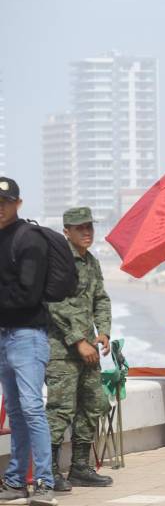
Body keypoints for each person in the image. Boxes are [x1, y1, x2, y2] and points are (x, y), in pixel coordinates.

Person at [46, 207, 113, 491]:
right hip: (62, 349)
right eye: (80, 228)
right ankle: (47, 472)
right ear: (66, 231)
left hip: (89, 348)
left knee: (92, 405)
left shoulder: (91, 261)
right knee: (60, 410)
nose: (87, 232)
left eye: (89, 227)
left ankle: (80, 468)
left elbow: (101, 298)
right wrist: (78, 340)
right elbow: (53, 303)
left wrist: (104, 331)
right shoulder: (57, 260)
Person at [0, 177, 58, 505]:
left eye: (5, 202)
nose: (0, 208)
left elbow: (28, 294)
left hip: (28, 336)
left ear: (18, 204)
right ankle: (15, 481)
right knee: (16, 412)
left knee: (32, 409)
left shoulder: (28, 239)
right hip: (3, 334)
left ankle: (45, 483)